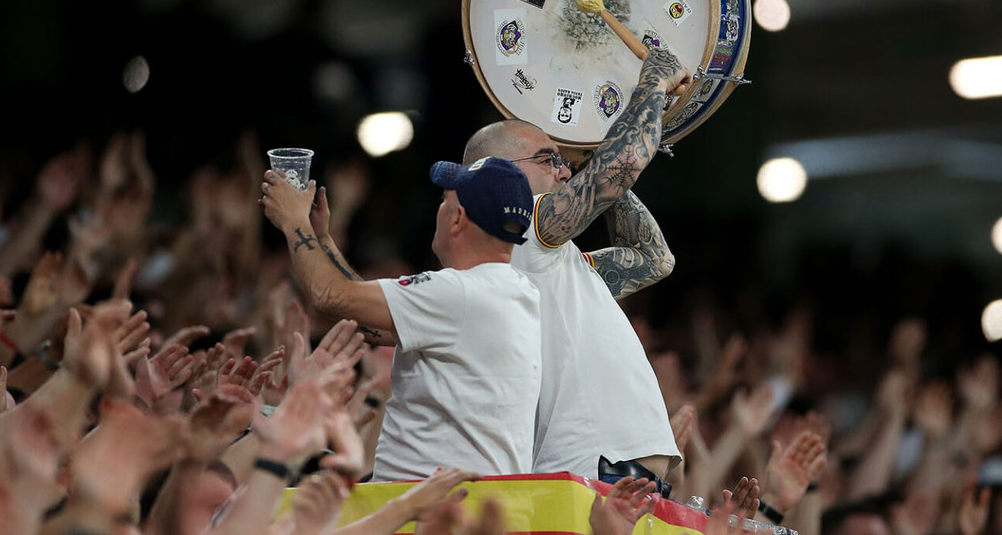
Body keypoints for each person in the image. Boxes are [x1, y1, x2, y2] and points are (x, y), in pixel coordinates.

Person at [460, 47, 690, 482]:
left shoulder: (548, 261)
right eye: (550, 160)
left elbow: (654, 260)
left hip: (612, 471)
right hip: (594, 470)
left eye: (565, 162)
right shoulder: (518, 226)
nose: (564, 172)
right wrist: (652, 83)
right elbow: (623, 162)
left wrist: (593, 164)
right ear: (498, 174)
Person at [259, 156, 541, 480]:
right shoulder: (516, 291)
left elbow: (328, 295)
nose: (439, 209)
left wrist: (293, 221)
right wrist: (322, 241)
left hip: (433, 512)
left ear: (457, 219)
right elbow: (367, 316)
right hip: (468, 505)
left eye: (444, 202)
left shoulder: (459, 293)